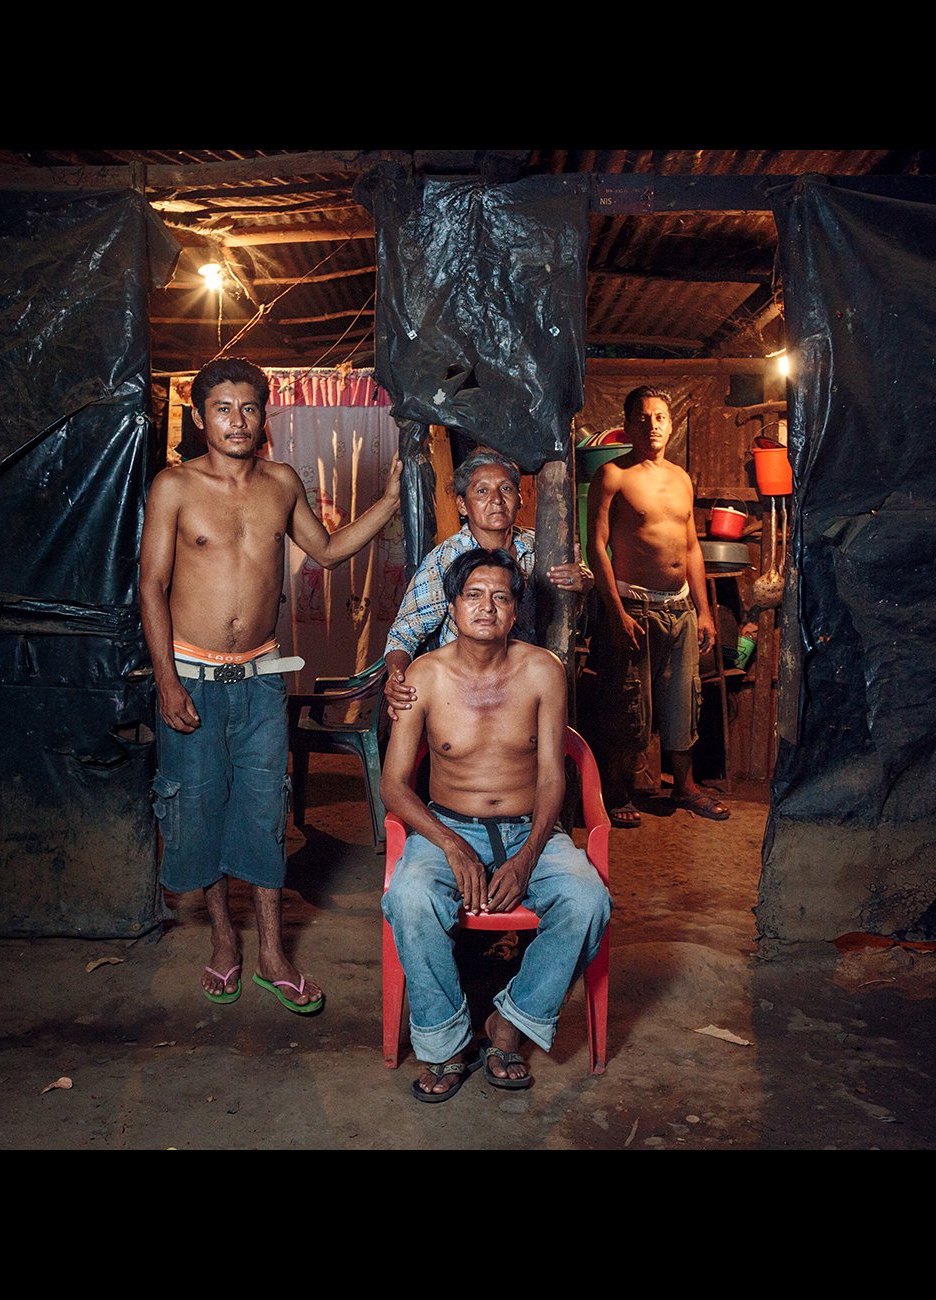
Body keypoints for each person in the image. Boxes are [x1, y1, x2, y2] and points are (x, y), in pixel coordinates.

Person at [141, 355, 403, 1013]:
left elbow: (328, 550)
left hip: (261, 679)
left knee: (263, 812)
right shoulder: (173, 486)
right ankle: (224, 942)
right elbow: (151, 585)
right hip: (193, 678)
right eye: (223, 408)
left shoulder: (281, 482)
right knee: (198, 813)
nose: (238, 420)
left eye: (250, 407)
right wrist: (168, 683)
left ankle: (273, 953)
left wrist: (392, 502)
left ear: (265, 416)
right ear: (200, 417)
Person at [379, 547, 612, 1102]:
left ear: (514, 612)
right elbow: (392, 784)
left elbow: (555, 777)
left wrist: (528, 854)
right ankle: (444, 1044)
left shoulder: (541, 671)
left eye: (501, 597)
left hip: (528, 829)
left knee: (587, 900)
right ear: (453, 607)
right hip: (445, 827)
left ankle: (509, 1025)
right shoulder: (424, 676)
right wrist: (451, 845)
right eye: (474, 596)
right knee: (409, 897)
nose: (487, 607)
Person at [586, 386, 728, 826]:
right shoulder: (613, 475)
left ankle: (684, 787)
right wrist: (616, 610)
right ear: (627, 425)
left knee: (685, 699)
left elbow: (691, 549)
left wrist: (703, 611)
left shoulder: (682, 478)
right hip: (635, 606)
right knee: (628, 701)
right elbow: (597, 547)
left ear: (671, 423)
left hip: (680, 608)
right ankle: (616, 790)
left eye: (661, 417)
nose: (653, 426)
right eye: (644, 418)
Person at [382, 449, 591, 716]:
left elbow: (569, 622)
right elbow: (403, 634)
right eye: (481, 491)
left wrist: (584, 585)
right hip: (461, 697)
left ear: (520, 499)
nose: (496, 500)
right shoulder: (446, 560)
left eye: (506, 489)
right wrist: (397, 678)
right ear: (461, 505)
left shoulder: (542, 549)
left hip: (528, 691)